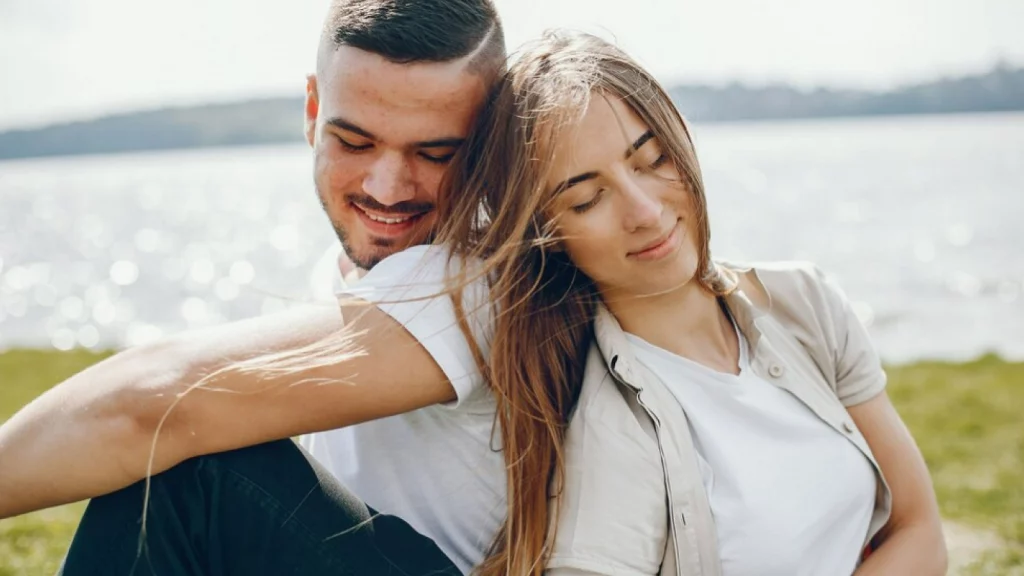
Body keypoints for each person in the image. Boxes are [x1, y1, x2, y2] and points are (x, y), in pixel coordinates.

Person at [0, 26, 948, 576]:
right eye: (355, 138)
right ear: (309, 114)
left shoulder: (491, 287)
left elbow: (143, 406)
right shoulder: (392, 289)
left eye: (439, 153)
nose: (388, 185)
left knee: (194, 473)